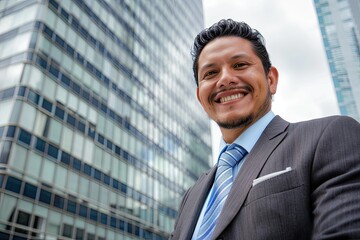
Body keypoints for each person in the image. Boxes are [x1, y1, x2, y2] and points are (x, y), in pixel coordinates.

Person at [170, 19, 360, 240]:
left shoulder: (331, 136)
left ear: (271, 80)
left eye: (239, 65)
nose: (225, 79)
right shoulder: (191, 196)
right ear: (200, 98)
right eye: (210, 73)